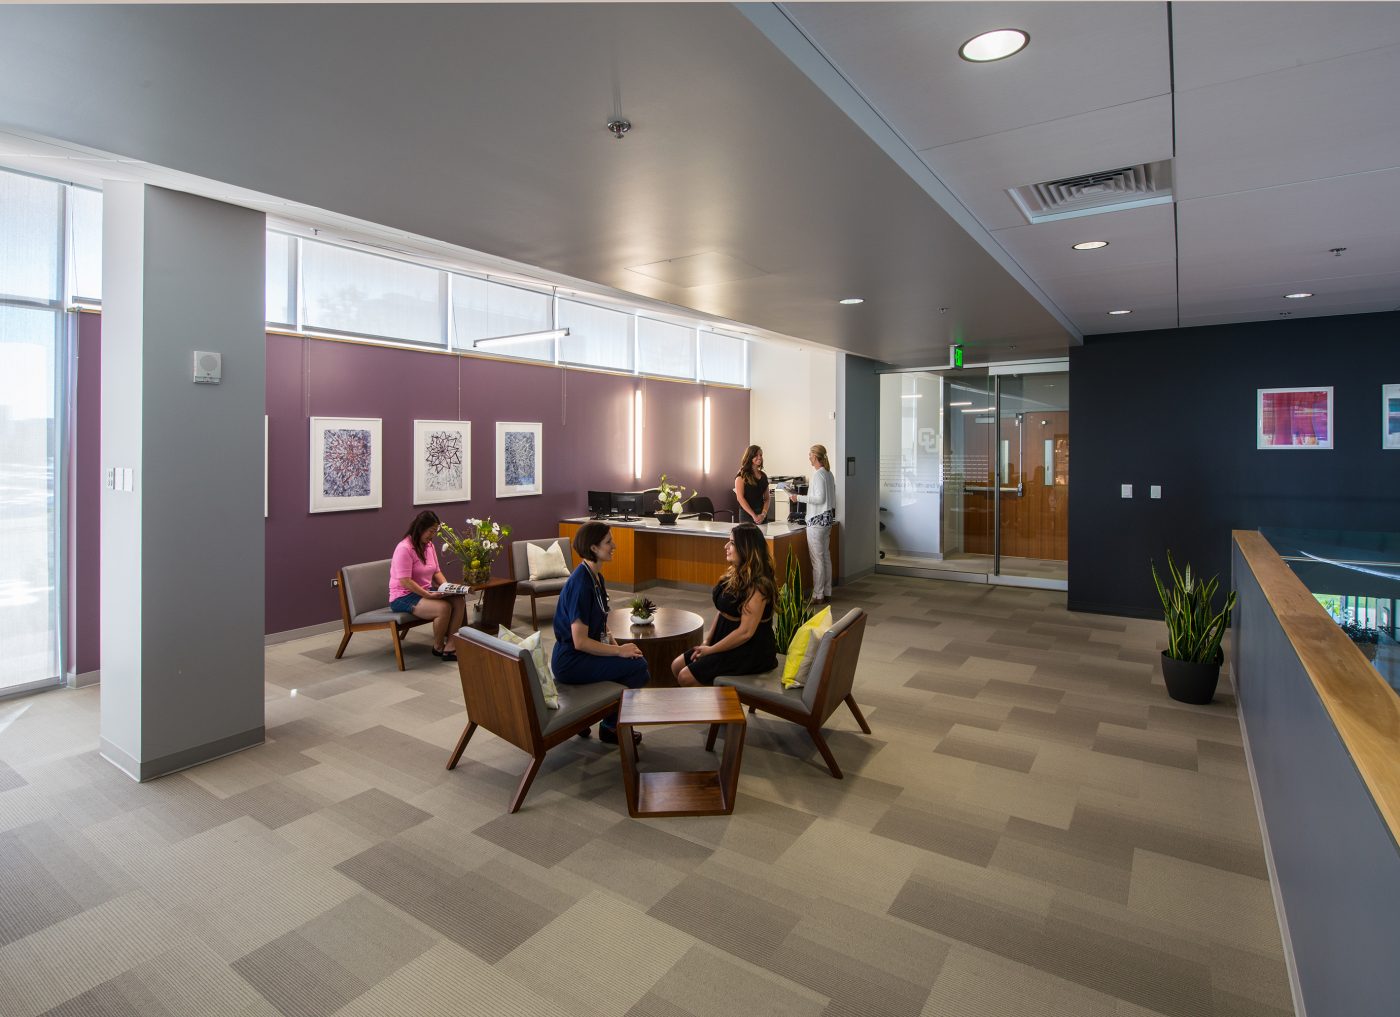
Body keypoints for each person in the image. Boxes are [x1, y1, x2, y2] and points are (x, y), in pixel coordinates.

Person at [552, 521, 650, 744]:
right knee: (639, 669)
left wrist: (618, 647)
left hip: (583, 654)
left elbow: (601, 622)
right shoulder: (581, 585)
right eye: (609, 542)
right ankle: (609, 726)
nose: (614, 545)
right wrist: (617, 653)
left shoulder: (596, 578)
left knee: (634, 660)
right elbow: (580, 642)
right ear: (594, 548)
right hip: (571, 660)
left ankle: (594, 714)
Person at [672, 523, 778, 687]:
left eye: (732, 543)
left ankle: (715, 708)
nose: (726, 546)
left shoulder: (759, 585)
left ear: (746, 548)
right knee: (677, 665)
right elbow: (723, 611)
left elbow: (745, 633)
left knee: (686, 677)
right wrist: (707, 642)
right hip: (724, 638)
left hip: (750, 650)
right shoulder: (735, 572)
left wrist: (712, 650)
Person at [389, 510, 467, 662]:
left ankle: (450, 646)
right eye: (431, 531)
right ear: (420, 528)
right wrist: (427, 595)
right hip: (403, 595)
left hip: (424, 590)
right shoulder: (404, 548)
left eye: (435, 531)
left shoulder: (429, 546)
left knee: (458, 600)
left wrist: (446, 587)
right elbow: (405, 581)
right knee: (443, 608)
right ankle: (438, 647)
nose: (433, 535)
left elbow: (436, 571)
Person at [788, 444, 836, 603]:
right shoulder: (829, 474)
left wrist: (798, 498)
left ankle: (818, 595)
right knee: (825, 557)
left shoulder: (818, 475)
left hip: (816, 521)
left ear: (815, 456)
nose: (808, 457)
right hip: (827, 519)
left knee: (817, 559)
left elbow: (819, 499)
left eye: (810, 454)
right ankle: (827, 592)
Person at [733, 444, 770, 525]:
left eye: (761, 455)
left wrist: (763, 514)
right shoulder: (741, 476)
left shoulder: (763, 476)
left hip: (761, 516)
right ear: (750, 457)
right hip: (747, 515)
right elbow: (740, 498)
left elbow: (767, 498)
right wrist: (754, 516)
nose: (759, 457)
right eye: (756, 455)